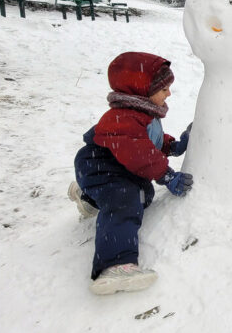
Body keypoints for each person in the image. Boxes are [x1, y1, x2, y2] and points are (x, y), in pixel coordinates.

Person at [69, 51, 193, 295]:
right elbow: (140, 153)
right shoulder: (123, 117)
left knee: (143, 196)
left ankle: (88, 200)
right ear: (143, 90)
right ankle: (115, 265)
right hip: (101, 166)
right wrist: (167, 176)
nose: (169, 93)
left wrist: (174, 146)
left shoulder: (144, 113)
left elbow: (149, 142)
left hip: (119, 167)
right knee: (125, 200)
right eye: (164, 88)